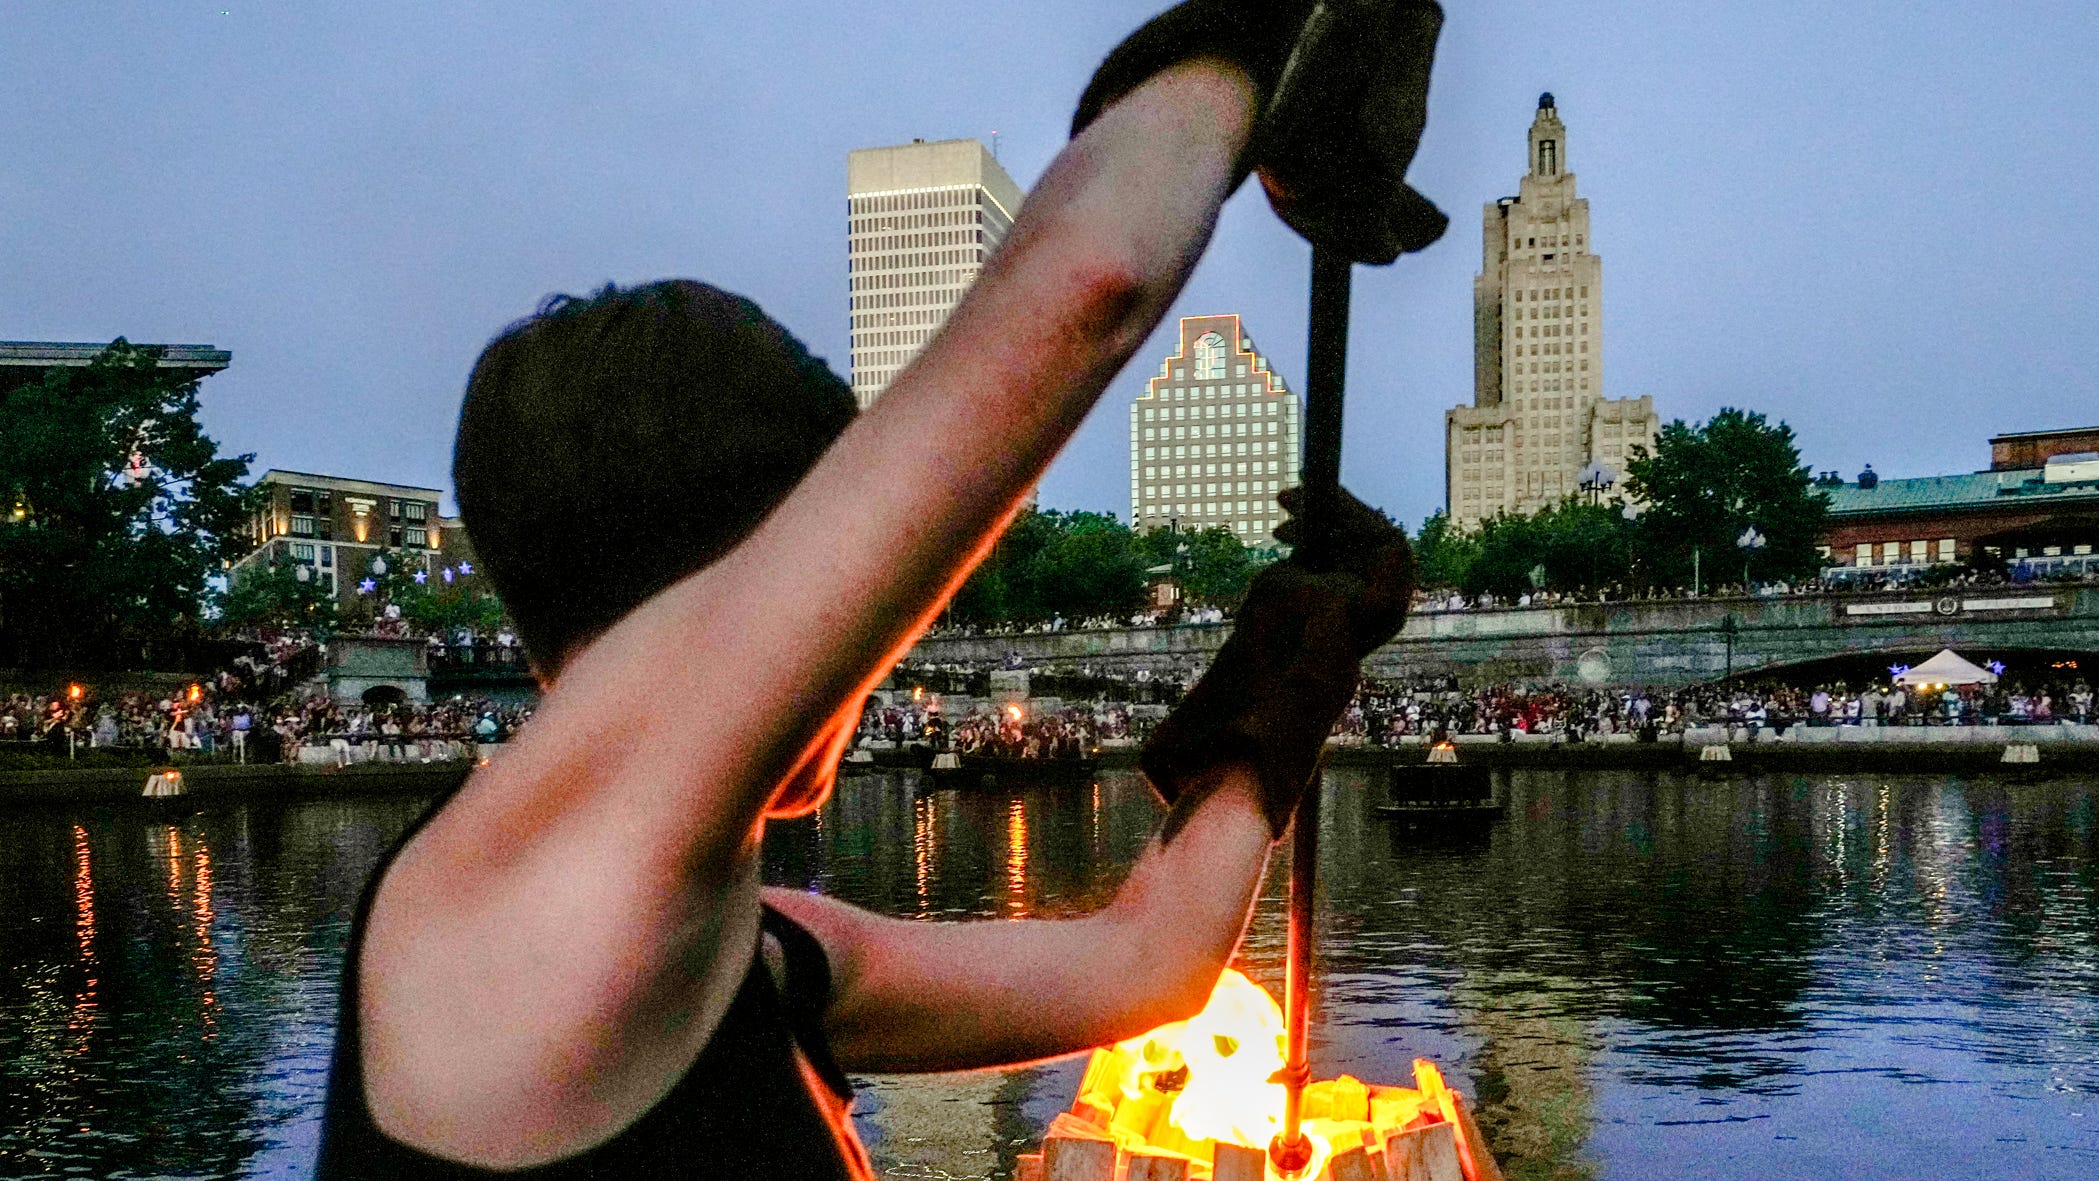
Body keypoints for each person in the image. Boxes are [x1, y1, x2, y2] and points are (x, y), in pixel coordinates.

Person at [316, 3, 1442, 1177]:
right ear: (773, 556)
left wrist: (1296, 665)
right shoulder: (536, 908)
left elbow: (1147, 962)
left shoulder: (742, 952)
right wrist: (1264, 44)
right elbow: (1092, 281)